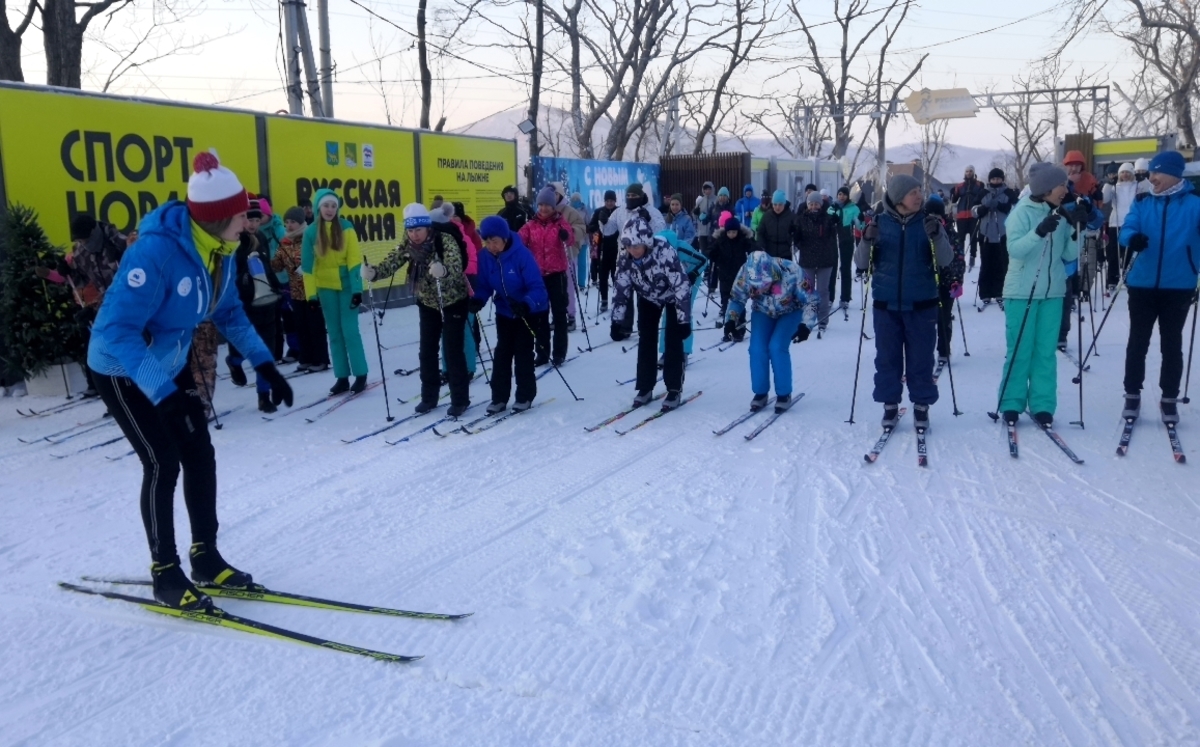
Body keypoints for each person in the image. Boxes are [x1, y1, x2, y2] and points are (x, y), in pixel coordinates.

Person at [86, 151, 293, 610]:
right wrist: (163, 394)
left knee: (199, 451)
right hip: (122, 367)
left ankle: (206, 557)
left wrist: (265, 364)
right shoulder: (156, 252)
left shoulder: (222, 248)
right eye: (242, 214)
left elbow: (229, 312)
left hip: (169, 360)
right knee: (162, 462)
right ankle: (165, 573)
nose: (248, 221)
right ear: (219, 217)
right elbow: (117, 330)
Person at [854, 174, 953, 429]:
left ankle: (921, 406)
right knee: (887, 359)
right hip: (886, 305)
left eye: (919, 191)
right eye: (913, 192)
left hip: (922, 304)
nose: (919, 196)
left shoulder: (929, 222)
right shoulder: (878, 223)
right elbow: (861, 263)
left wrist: (938, 236)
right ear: (899, 198)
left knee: (921, 360)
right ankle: (890, 405)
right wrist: (866, 239)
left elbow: (946, 260)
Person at [364, 204, 472, 416]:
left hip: (452, 300)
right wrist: (374, 273)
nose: (414, 235)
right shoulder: (408, 242)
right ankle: (429, 397)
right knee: (427, 351)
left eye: (418, 230)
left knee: (452, 351)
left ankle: (460, 399)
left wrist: (444, 270)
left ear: (427, 227)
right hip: (428, 301)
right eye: (411, 230)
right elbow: (394, 260)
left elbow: (456, 265)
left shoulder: (444, 239)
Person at [995, 162, 1081, 427]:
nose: (1065, 190)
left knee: (1045, 352)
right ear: (1046, 188)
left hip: (1053, 293)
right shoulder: (1021, 212)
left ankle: (1043, 405)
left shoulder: (1061, 214)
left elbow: (1069, 254)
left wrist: (1077, 229)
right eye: (1061, 185)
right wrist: (1039, 231)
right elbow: (1016, 250)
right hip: (1021, 293)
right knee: (1020, 351)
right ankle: (1011, 403)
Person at [1118, 150, 1200, 425]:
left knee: (1172, 343)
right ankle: (1132, 394)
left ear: (1174, 173)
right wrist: (1132, 238)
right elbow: (1127, 228)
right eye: (1151, 172)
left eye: (1157, 172)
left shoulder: (1195, 204)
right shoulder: (1143, 201)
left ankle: (1169, 398)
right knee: (1137, 342)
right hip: (1142, 282)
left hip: (1179, 284)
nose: (1151, 177)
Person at [609, 216, 693, 411]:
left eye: (636, 246)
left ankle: (674, 388)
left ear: (646, 242)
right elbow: (621, 288)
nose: (633, 250)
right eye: (629, 246)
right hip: (647, 297)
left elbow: (681, 285)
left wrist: (684, 320)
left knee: (673, 340)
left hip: (672, 297)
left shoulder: (664, 252)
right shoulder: (625, 257)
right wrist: (617, 320)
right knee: (646, 339)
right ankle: (645, 387)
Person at [472, 216, 549, 414]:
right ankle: (499, 398)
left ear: (504, 239)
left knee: (523, 353)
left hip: (528, 310)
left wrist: (526, 304)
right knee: (502, 354)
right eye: (487, 241)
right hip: (505, 311)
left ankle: (524, 395)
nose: (491, 246)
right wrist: (478, 299)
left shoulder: (521, 255)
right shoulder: (485, 257)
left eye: (495, 241)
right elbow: (484, 285)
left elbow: (538, 288)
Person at [725, 250, 816, 413]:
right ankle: (760, 392)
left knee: (777, 347)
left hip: (790, 311)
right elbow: (737, 298)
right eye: (756, 285)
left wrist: (806, 325)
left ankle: (784, 394)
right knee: (757, 348)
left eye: (763, 283)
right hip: (762, 311)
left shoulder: (792, 271)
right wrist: (731, 319)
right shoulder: (745, 271)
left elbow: (811, 300)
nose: (760, 288)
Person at [301, 189, 368, 394]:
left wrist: (357, 289)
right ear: (318, 208)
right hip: (325, 288)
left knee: (350, 331)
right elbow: (307, 267)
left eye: (333, 206)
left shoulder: (346, 227)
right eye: (326, 205)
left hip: (347, 287)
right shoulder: (311, 233)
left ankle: (360, 374)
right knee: (335, 333)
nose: (330, 210)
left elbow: (354, 260)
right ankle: (342, 377)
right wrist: (311, 296)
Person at [227, 199, 284, 412]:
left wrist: (276, 287)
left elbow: (267, 267)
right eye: (249, 219)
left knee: (266, 350)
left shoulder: (261, 238)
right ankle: (234, 361)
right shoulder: (234, 241)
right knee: (244, 347)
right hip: (244, 303)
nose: (253, 224)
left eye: (257, 220)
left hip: (266, 302)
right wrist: (243, 281)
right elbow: (229, 274)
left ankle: (263, 396)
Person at [519, 187, 575, 366]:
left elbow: (570, 239)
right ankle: (542, 352)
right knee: (540, 315)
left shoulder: (560, 222)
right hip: (538, 277)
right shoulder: (530, 225)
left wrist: (566, 236)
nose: (543, 208)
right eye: (541, 205)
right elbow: (518, 241)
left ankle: (559, 353)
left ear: (553, 206)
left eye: (547, 205)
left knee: (559, 315)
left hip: (557, 275)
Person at [271, 206, 330, 373]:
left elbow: (321, 259)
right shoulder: (285, 242)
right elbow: (277, 264)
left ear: (301, 222)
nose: (289, 225)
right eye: (287, 222)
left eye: (293, 222)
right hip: (295, 292)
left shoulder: (309, 237)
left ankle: (320, 359)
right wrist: (267, 261)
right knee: (301, 326)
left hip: (312, 291)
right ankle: (306, 358)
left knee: (315, 326)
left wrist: (306, 267)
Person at [655, 229, 707, 364]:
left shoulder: (681, 248)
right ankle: (666, 351)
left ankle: (684, 351)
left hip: (690, 278)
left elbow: (703, 261)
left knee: (683, 312)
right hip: (671, 280)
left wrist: (693, 274)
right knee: (668, 314)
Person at [794, 191, 840, 334]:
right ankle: (807, 319)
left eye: (816, 204)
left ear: (821, 205)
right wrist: (795, 236)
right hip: (807, 260)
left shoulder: (827, 219)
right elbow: (797, 239)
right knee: (808, 292)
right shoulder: (801, 219)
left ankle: (823, 320)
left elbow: (833, 236)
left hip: (825, 260)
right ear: (807, 205)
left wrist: (835, 221)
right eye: (811, 204)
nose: (814, 207)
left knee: (822, 291)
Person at [926, 195, 964, 363]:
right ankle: (924, 351)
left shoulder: (950, 232)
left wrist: (957, 279)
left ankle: (944, 350)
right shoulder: (922, 231)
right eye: (930, 215)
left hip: (947, 282)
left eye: (937, 216)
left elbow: (958, 258)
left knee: (944, 317)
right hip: (926, 282)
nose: (934, 220)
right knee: (926, 319)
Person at [973, 168, 1019, 306]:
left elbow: (1016, 209)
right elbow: (974, 211)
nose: (995, 181)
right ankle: (985, 293)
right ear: (990, 180)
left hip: (1003, 234)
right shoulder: (983, 193)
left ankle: (1000, 291)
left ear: (1002, 179)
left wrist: (1000, 205)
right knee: (986, 264)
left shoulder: (1009, 193)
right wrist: (984, 207)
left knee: (1002, 263)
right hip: (985, 233)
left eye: (998, 178)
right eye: (993, 179)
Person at [712, 217, 754, 338]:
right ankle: (728, 329)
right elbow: (710, 251)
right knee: (726, 303)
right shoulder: (721, 241)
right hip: (725, 276)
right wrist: (714, 257)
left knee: (739, 303)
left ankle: (740, 328)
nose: (731, 234)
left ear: (738, 231)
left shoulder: (743, 240)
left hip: (740, 277)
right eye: (729, 232)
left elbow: (753, 248)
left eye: (734, 232)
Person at [1101, 162, 1138, 294]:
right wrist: (1108, 184)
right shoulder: (1114, 186)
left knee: (1130, 252)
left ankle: (1129, 278)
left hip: (1132, 222)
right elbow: (1104, 199)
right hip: (1115, 222)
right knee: (1114, 253)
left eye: (1128, 172)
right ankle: (1112, 279)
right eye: (1122, 172)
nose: (1125, 175)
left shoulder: (1137, 185)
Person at [588, 190, 619, 312]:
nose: (609, 203)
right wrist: (598, 225)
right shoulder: (598, 211)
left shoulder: (619, 212)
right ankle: (604, 300)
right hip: (602, 248)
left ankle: (618, 299)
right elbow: (590, 227)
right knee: (603, 276)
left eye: (612, 201)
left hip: (616, 248)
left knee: (616, 276)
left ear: (615, 201)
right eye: (607, 201)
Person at [950, 166, 986, 270]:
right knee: (961, 238)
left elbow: (983, 198)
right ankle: (960, 257)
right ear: (964, 173)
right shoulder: (960, 186)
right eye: (967, 171)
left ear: (973, 173)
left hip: (974, 215)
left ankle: (972, 257)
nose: (969, 173)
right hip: (961, 216)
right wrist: (953, 193)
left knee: (973, 238)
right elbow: (954, 200)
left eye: (970, 171)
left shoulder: (979, 185)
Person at [832, 186, 861, 310]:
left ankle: (845, 298)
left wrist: (859, 220)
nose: (842, 196)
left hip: (847, 240)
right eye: (840, 194)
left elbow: (860, 225)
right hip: (832, 240)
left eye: (844, 194)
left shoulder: (853, 208)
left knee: (845, 268)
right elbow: (827, 221)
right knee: (832, 269)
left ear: (848, 196)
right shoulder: (832, 207)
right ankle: (830, 298)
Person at [756, 189, 797, 261]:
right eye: (775, 204)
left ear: (784, 204)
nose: (777, 207)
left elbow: (797, 234)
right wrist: (761, 245)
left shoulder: (791, 217)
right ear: (772, 204)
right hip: (769, 254)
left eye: (780, 204)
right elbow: (760, 232)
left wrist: (793, 244)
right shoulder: (767, 216)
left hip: (786, 255)